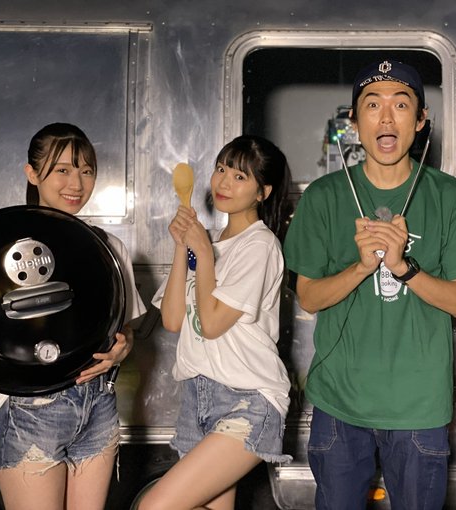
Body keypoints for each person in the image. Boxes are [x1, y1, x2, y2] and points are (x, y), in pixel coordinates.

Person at [283, 60, 456, 510]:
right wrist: (361, 267)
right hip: (339, 403)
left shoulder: (451, 197)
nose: (387, 117)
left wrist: (403, 267)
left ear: (420, 120)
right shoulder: (323, 197)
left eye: (401, 104)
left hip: (419, 406)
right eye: (373, 105)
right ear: (354, 122)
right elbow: (309, 297)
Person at [0, 122, 146, 510]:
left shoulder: (108, 247)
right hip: (31, 410)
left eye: (86, 170)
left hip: (99, 405)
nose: (77, 183)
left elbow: (124, 328)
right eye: (63, 169)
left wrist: (122, 347)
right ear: (32, 173)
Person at [139, 134, 292, 510]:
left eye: (240, 176)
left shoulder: (260, 246)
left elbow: (211, 324)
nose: (224, 182)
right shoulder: (205, 241)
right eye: (221, 169)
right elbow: (173, 320)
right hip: (198, 398)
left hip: (247, 400)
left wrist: (204, 254)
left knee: (153, 506)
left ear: (263, 192)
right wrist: (183, 245)